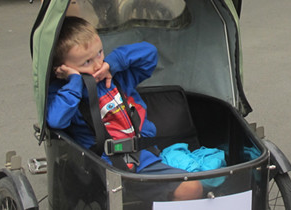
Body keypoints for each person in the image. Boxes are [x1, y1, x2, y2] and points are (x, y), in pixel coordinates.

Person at [47, 16, 202, 201]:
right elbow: (56, 120)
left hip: (141, 157)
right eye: (86, 63)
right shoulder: (64, 94)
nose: (97, 65)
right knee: (192, 188)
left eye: (99, 53)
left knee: (198, 186)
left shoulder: (116, 78)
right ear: (62, 69)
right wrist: (73, 81)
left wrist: (112, 64)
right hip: (103, 167)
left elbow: (149, 54)